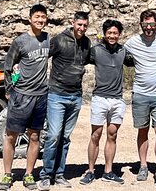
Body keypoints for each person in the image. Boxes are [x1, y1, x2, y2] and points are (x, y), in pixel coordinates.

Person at [0, 4, 51, 191]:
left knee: (35, 136)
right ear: (30, 19)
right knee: (11, 135)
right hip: (21, 95)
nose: (40, 20)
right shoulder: (20, 41)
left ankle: (29, 174)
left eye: (43, 17)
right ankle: (7, 174)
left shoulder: (48, 39)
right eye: (37, 16)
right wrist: (9, 90)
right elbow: (8, 65)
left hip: (41, 95)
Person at [38, 12, 92, 190]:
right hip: (56, 95)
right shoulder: (59, 40)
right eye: (79, 24)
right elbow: (41, 58)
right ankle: (46, 174)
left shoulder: (87, 43)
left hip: (75, 97)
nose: (82, 28)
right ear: (73, 23)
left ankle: (59, 173)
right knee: (53, 136)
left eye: (85, 25)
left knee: (65, 138)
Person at [79, 19, 132, 186]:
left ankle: (108, 171)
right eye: (109, 33)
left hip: (117, 99)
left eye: (115, 33)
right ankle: (90, 171)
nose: (112, 36)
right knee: (95, 135)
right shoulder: (95, 51)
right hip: (100, 98)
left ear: (119, 35)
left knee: (112, 135)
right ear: (104, 33)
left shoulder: (123, 51)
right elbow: (79, 58)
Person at [124, 9, 156, 188]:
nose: (149, 28)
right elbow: (112, 46)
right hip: (140, 94)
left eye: (152, 24)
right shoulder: (133, 42)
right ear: (140, 25)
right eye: (145, 25)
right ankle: (143, 165)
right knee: (142, 131)